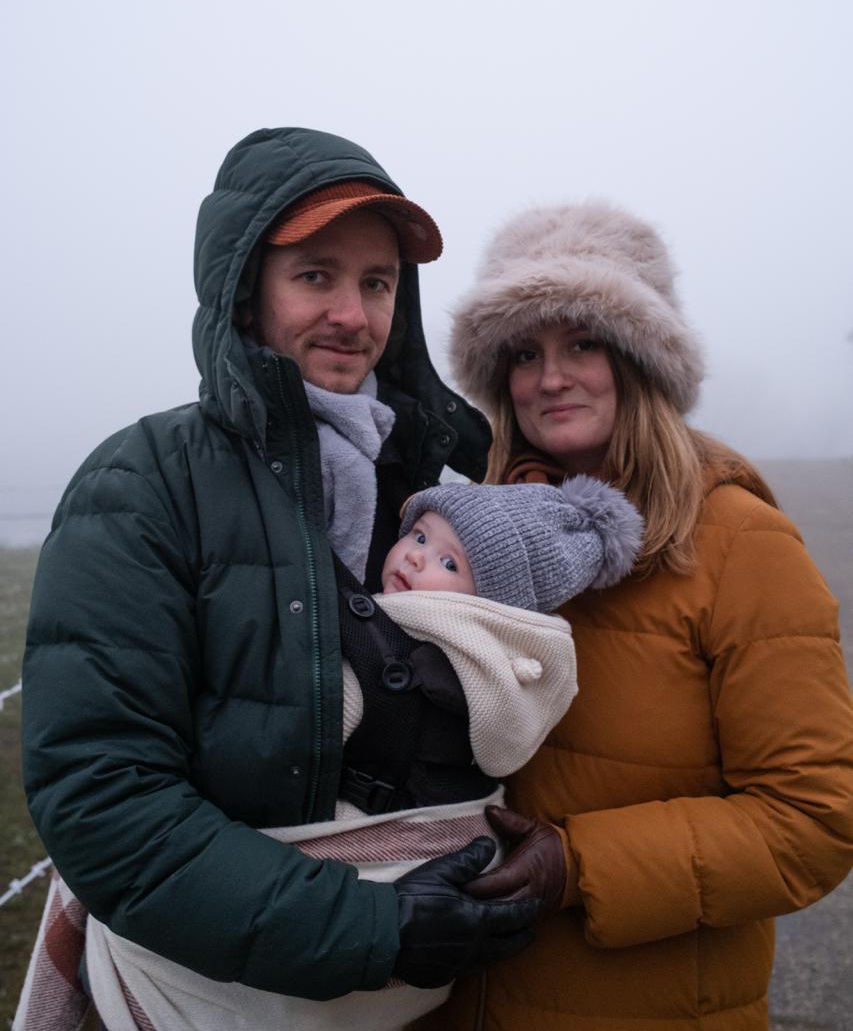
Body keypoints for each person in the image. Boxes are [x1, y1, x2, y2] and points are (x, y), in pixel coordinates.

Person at [17, 127, 541, 1031]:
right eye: (315, 275)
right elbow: (102, 798)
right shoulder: (143, 483)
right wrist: (372, 926)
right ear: (244, 292)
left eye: (376, 283)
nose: (352, 313)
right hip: (203, 996)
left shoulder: (427, 488)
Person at [415, 200, 853, 1031]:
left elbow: (812, 822)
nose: (550, 378)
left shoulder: (741, 545)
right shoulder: (469, 532)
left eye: (582, 341)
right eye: (524, 352)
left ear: (642, 357)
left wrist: (578, 867)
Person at [71, 477, 643, 1031]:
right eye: (419, 535)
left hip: (366, 873)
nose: (417, 559)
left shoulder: (407, 648)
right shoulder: (501, 675)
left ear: (491, 603)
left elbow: (306, 723)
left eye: (450, 564)